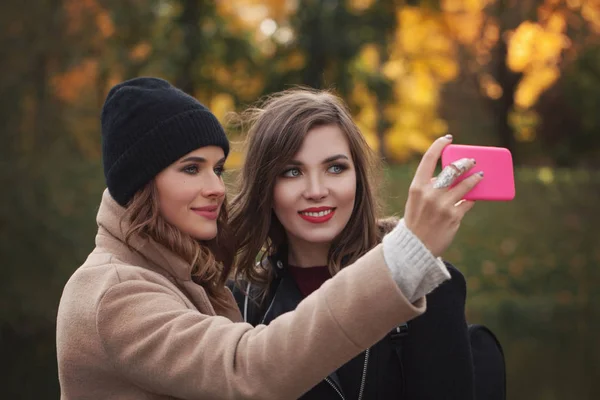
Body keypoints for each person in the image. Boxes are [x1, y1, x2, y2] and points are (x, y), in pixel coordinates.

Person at [55, 77, 478, 400]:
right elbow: (250, 368)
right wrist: (403, 254)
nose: (217, 188)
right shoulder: (119, 292)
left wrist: (399, 247)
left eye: (218, 169)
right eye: (191, 168)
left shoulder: (192, 278)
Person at [229, 88, 482, 399]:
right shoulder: (238, 301)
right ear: (265, 187)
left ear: (358, 179)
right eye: (292, 172)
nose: (316, 190)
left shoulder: (427, 286)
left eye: (335, 168)